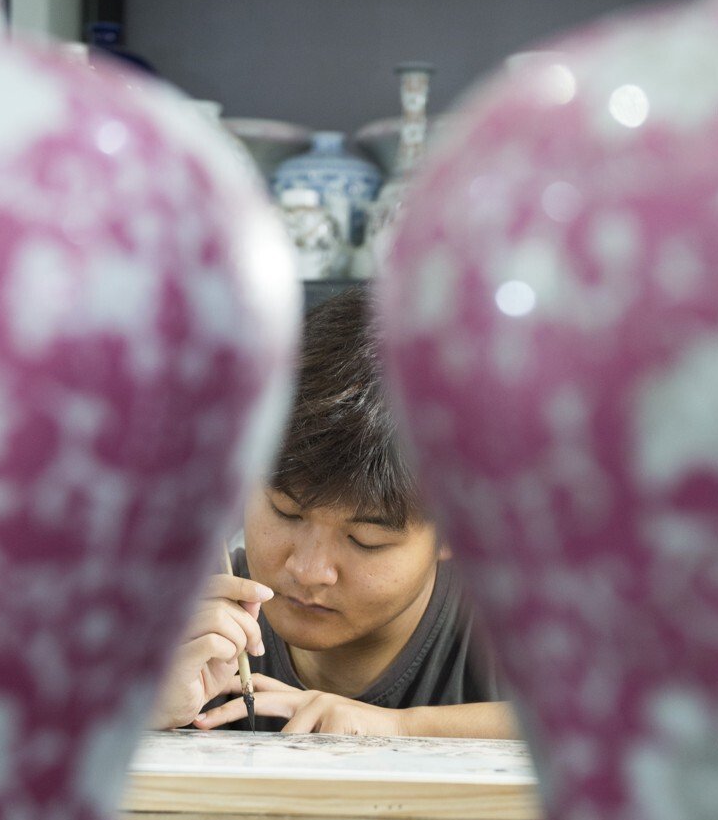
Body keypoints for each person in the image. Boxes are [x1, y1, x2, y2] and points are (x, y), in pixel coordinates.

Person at [150, 288, 518, 737]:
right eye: (285, 512)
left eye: (365, 540)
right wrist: (141, 712)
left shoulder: (510, 622)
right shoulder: (182, 619)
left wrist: (401, 728)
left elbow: (618, 730)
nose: (307, 570)